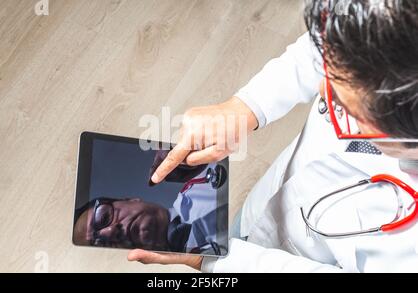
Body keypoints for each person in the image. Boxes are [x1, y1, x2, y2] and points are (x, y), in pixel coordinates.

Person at [127, 0, 418, 272]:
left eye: (343, 103)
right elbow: (328, 50)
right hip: (261, 212)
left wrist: (216, 262)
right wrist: (243, 108)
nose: (322, 89)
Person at [73, 159, 228, 255]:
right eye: (101, 242)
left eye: (103, 217)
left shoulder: (203, 176)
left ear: (131, 200)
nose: (110, 231)